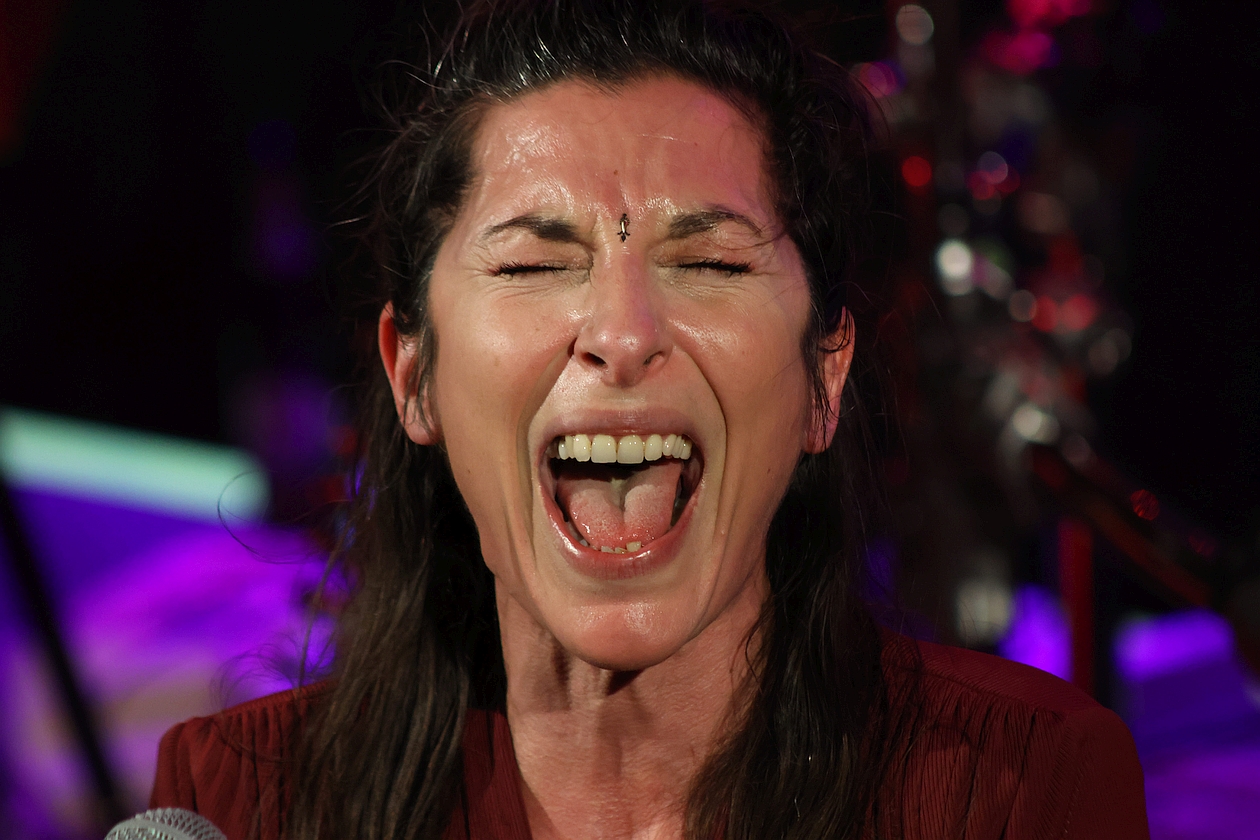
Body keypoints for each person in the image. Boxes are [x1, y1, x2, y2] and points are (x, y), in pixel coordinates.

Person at [149, 1, 1150, 838]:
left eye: (709, 262)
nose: (622, 334)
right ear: (412, 375)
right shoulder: (238, 806)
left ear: (825, 377)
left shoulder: (1025, 793)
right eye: (533, 265)